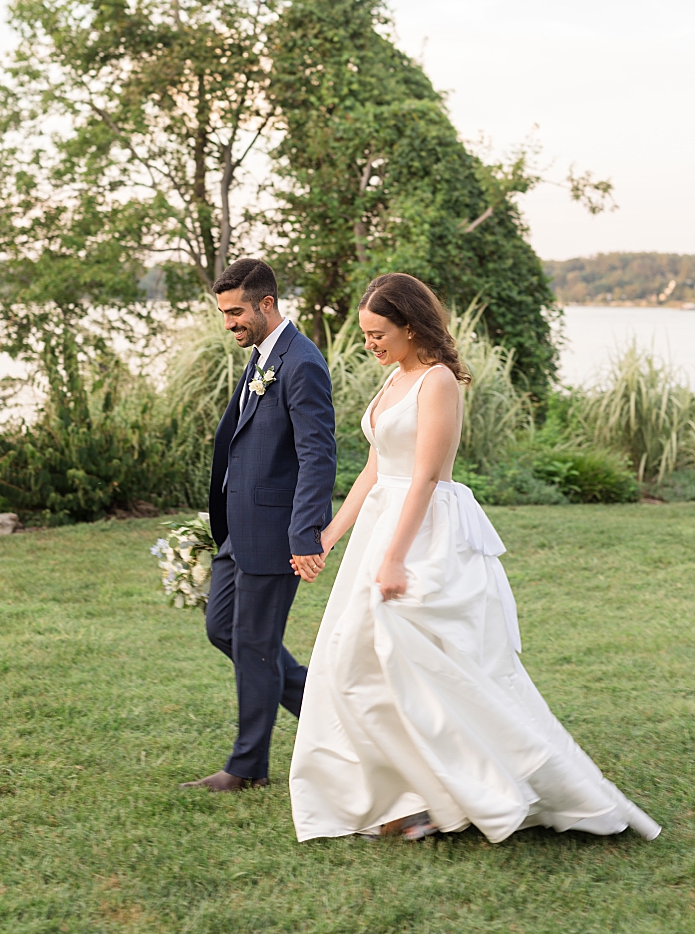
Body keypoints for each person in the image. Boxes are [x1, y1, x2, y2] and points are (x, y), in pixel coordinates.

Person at [289, 272, 660, 842]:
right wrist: (330, 535)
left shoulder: (437, 382)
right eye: (365, 334)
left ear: (410, 326)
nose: (370, 343)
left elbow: (425, 479)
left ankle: (467, 790)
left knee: (429, 666)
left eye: (378, 332)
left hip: (423, 533)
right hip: (380, 526)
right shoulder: (393, 380)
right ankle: (413, 796)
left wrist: (394, 558)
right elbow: (375, 469)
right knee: (355, 663)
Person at [181, 259, 337, 792]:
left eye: (236, 312)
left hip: (275, 534)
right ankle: (329, 715)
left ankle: (246, 767)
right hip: (237, 531)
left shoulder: (301, 362)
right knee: (223, 629)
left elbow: (318, 455)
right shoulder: (262, 356)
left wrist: (305, 534)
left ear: (266, 304)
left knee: (254, 643)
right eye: (224, 313)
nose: (229, 323)